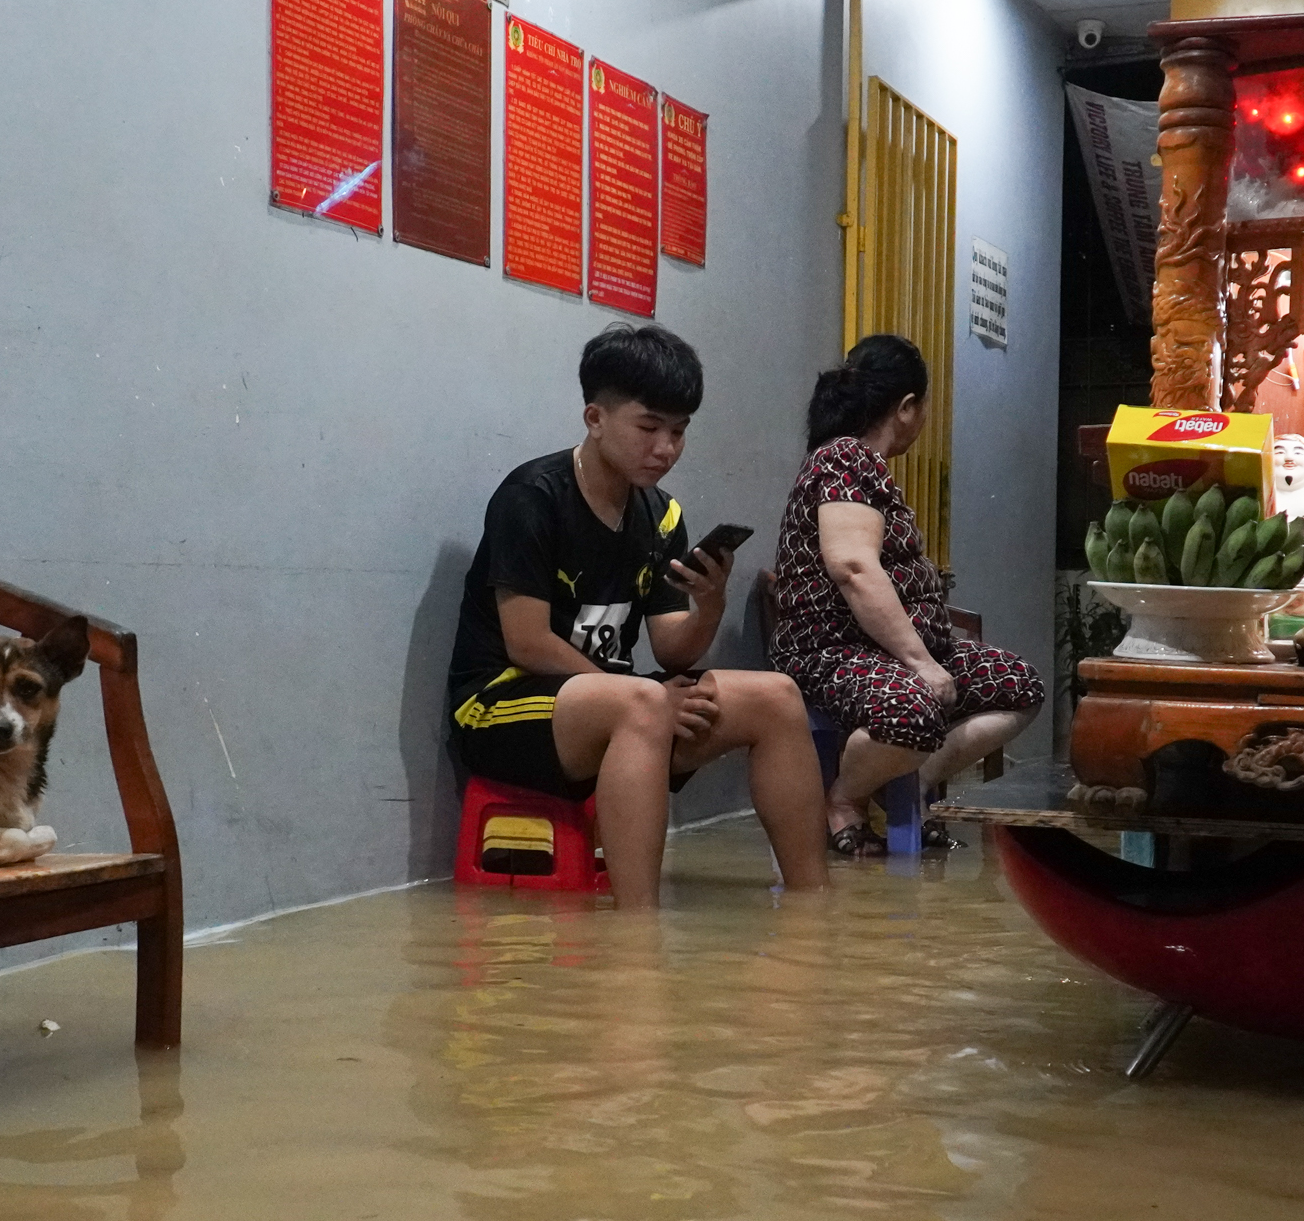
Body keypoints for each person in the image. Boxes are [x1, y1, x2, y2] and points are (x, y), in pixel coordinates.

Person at [447, 323, 830, 909]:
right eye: (648, 428)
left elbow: (674, 650)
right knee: (646, 701)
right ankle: (638, 930)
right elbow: (526, 643)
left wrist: (711, 603)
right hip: (500, 706)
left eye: (679, 432)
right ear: (595, 418)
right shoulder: (532, 498)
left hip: (616, 706)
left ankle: (813, 901)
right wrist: (643, 696)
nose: (665, 448)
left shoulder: (662, 513)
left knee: (776, 696)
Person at [767, 335, 1044, 856]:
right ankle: (846, 799)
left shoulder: (860, 462)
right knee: (910, 714)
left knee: (1018, 685)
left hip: (888, 654)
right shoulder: (847, 459)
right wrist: (920, 661)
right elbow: (853, 567)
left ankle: (911, 784)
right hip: (835, 652)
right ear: (907, 407)